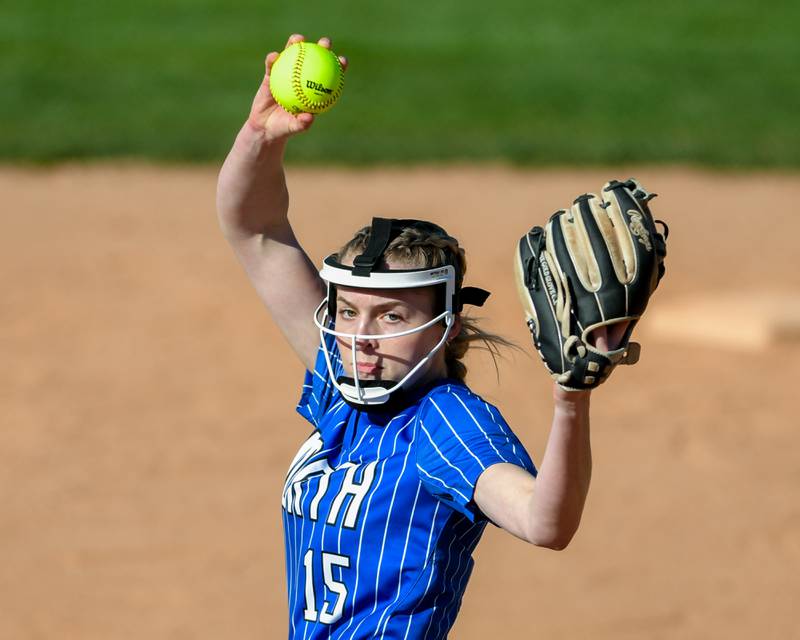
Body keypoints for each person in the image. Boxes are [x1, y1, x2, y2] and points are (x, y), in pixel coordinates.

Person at [217, 34, 624, 640]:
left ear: (445, 325)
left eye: (391, 316)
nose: (362, 336)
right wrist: (260, 138)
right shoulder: (342, 382)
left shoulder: (447, 425)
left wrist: (572, 397)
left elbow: (546, 523)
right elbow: (255, 229)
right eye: (349, 310)